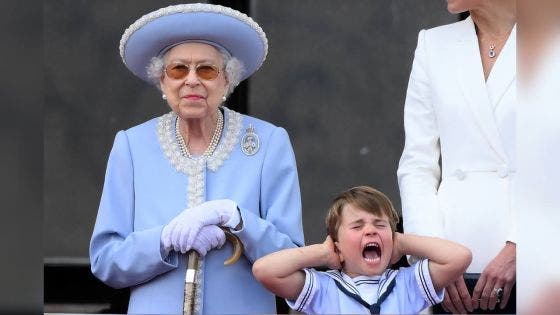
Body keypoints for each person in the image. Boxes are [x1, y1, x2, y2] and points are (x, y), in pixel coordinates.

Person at [89, 3, 304, 314]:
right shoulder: (132, 147)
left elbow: (292, 260)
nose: (191, 80)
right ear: (162, 81)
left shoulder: (269, 143)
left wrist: (237, 219)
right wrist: (163, 240)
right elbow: (106, 261)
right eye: (178, 69)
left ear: (227, 81)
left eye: (206, 69)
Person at [397, 0, 516, 313]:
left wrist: (524, 246)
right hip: (453, 270)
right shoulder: (433, 45)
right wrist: (432, 257)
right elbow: (417, 164)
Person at [253, 186, 472, 314]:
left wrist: (403, 243)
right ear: (337, 245)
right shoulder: (323, 288)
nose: (370, 231)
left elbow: (459, 257)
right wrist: (322, 253)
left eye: (380, 225)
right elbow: (265, 270)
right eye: (357, 226)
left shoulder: (408, 284)